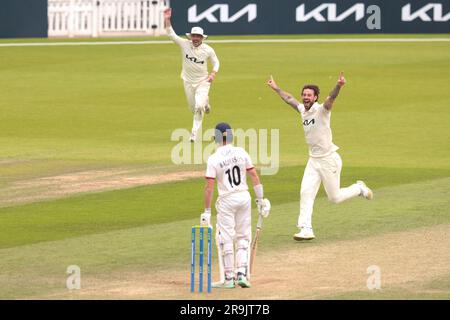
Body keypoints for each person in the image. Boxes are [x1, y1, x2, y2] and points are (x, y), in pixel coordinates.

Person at [267, 72, 373, 241]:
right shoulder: (303, 110)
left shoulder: (322, 110)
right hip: (313, 160)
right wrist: (275, 87)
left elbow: (331, 99)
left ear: (316, 97)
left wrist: (339, 85)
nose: (305, 97)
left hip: (328, 159)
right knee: (305, 192)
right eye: (304, 95)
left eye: (309, 95)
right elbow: (289, 98)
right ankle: (306, 228)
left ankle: (358, 188)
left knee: (335, 197)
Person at [201, 123, 270, 288]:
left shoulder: (213, 159)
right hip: (244, 197)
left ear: (215, 138)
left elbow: (209, 187)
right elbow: (254, 175)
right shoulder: (241, 152)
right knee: (243, 236)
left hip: (226, 199)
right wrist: (260, 200)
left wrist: (207, 211)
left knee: (226, 238)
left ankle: (229, 278)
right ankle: (241, 274)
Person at [164, 8, 220, 142]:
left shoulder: (208, 50)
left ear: (202, 38)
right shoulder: (185, 44)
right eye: (194, 36)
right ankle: (206, 102)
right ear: (191, 36)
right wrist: (167, 19)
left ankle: (194, 134)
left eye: (198, 36)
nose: (195, 38)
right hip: (188, 81)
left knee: (198, 107)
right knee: (193, 107)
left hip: (203, 81)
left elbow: (216, 62)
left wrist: (213, 73)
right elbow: (171, 35)